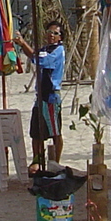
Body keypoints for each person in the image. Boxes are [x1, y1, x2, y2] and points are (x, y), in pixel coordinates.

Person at [32, 21, 66, 164]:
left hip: (51, 96)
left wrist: (23, 45)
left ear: (60, 37)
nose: (52, 35)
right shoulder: (44, 49)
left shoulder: (58, 50)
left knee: (55, 132)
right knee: (36, 133)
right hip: (40, 96)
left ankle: (56, 162)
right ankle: (37, 161)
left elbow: (42, 62)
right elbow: (36, 58)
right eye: (50, 32)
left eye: (55, 33)